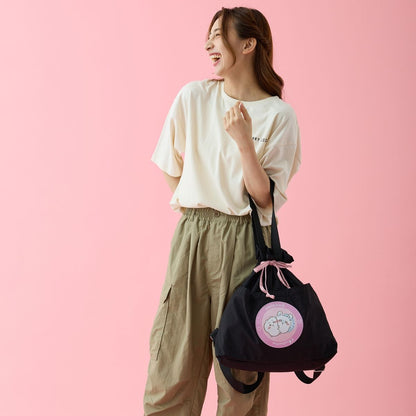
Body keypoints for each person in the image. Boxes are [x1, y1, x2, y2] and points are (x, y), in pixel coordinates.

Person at [143, 6, 301, 416]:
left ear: (248, 44)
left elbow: (265, 199)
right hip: (193, 237)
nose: (208, 44)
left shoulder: (279, 115)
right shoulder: (194, 97)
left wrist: (244, 140)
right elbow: (167, 162)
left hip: (248, 242)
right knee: (172, 360)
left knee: (241, 373)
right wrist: (195, 208)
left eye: (218, 35)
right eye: (209, 36)